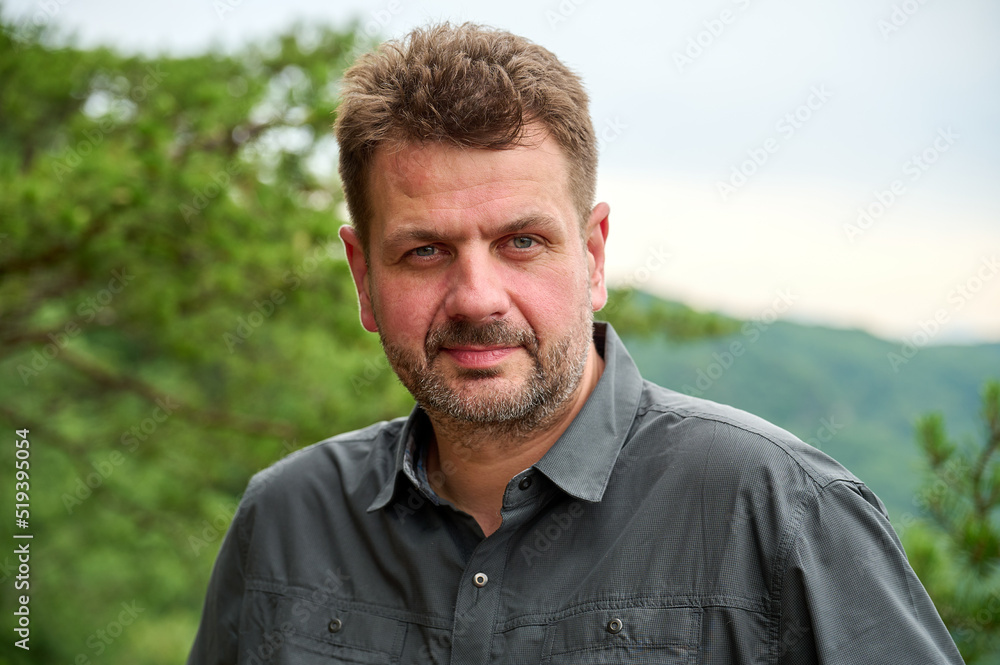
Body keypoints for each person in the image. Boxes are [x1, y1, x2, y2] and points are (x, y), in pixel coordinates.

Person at [188, 22, 964, 664]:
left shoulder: (780, 512)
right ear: (363, 275)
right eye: (424, 251)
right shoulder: (284, 522)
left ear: (592, 255)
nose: (477, 297)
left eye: (521, 241)